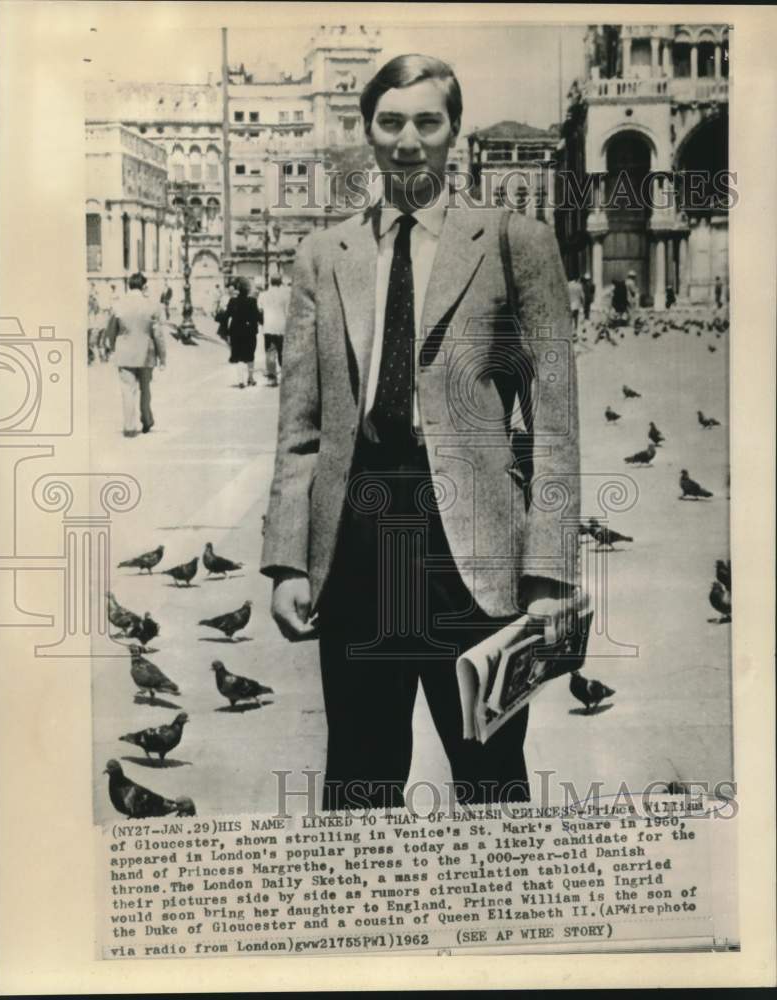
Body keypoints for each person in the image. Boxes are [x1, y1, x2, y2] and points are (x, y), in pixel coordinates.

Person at [262, 54, 580, 811]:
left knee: (490, 778)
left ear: (454, 132)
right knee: (358, 781)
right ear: (368, 134)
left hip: (473, 551)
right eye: (390, 122)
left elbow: (555, 423)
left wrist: (550, 570)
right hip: (359, 545)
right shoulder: (323, 255)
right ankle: (364, 925)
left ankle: (500, 926)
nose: (409, 141)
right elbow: (300, 427)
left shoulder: (515, 242)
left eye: (427, 122)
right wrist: (286, 563)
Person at [105, 272, 166, 438]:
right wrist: (162, 357)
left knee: (127, 390)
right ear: (144, 286)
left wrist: (112, 347)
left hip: (124, 353)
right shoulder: (153, 306)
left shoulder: (118, 305)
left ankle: (129, 427)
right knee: (145, 389)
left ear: (129, 286)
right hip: (146, 352)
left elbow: (110, 330)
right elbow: (158, 334)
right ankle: (146, 420)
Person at [219, 277, 262, 387]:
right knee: (250, 355)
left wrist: (224, 330)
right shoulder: (252, 301)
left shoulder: (232, 301)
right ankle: (251, 378)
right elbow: (257, 317)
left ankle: (240, 380)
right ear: (248, 290)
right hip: (249, 331)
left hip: (236, 331)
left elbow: (226, 315)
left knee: (238, 356)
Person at [259, 275, 291, 386]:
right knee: (283, 352)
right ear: (281, 282)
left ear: (270, 282)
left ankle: (272, 379)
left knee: (270, 352)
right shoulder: (286, 295)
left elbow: (260, 310)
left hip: (268, 326)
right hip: (282, 326)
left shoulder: (263, 295)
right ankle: (285, 377)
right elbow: (288, 312)